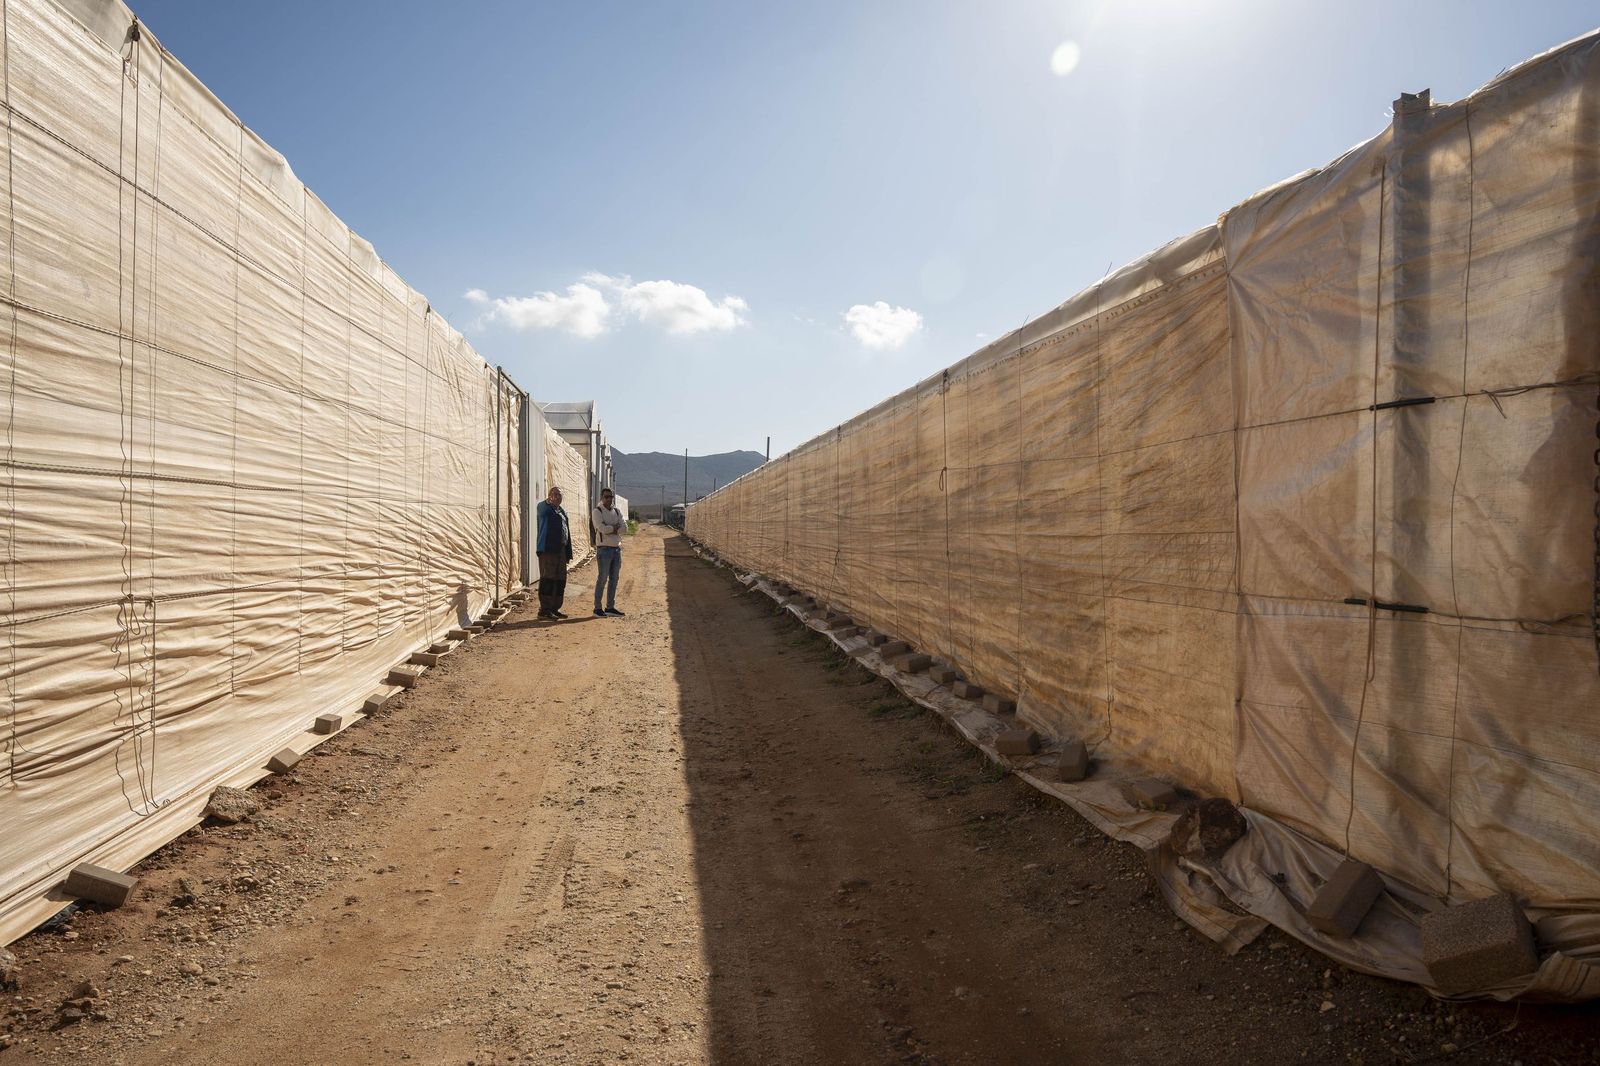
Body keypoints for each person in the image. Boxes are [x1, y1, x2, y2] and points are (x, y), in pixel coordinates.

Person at [535, 486, 573, 619]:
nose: (557, 497)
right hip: (548, 548)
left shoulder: (562, 511)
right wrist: (547, 502)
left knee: (560, 579)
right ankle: (544, 609)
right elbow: (541, 508)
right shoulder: (544, 508)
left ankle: (555, 608)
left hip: (561, 549)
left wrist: (568, 551)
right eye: (554, 494)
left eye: (559, 495)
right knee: (548, 578)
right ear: (549, 496)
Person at [591, 488, 626, 617]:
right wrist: (615, 528)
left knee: (614, 579)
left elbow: (625, 528)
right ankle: (597, 608)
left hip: (616, 549)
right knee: (602, 578)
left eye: (611, 497)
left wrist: (611, 528)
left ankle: (610, 607)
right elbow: (601, 529)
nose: (609, 499)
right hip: (604, 549)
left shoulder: (616, 511)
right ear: (602, 497)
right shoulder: (597, 511)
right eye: (606, 497)